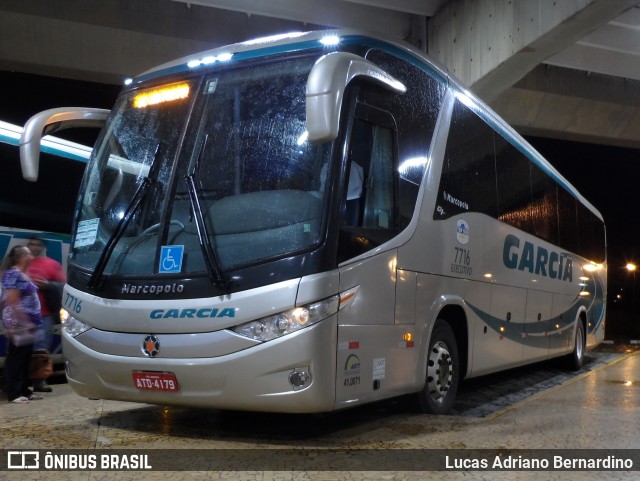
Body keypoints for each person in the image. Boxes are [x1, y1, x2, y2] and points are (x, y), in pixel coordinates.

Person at [1, 245, 44, 404]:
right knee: (17, 357)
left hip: (27, 323)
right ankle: (14, 392)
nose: (32, 256)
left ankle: (24, 389)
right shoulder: (13, 274)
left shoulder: (22, 274)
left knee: (25, 356)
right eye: (28, 253)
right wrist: (25, 322)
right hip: (18, 322)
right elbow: (13, 300)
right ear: (22, 257)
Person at [26, 236, 65, 393]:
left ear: (42, 247)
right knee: (22, 349)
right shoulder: (21, 263)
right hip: (23, 314)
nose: (34, 247)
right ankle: (20, 383)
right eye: (31, 244)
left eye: (38, 245)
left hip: (44, 313)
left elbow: (63, 286)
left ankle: (39, 382)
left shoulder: (51, 264)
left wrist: (48, 285)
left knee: (41, 349)